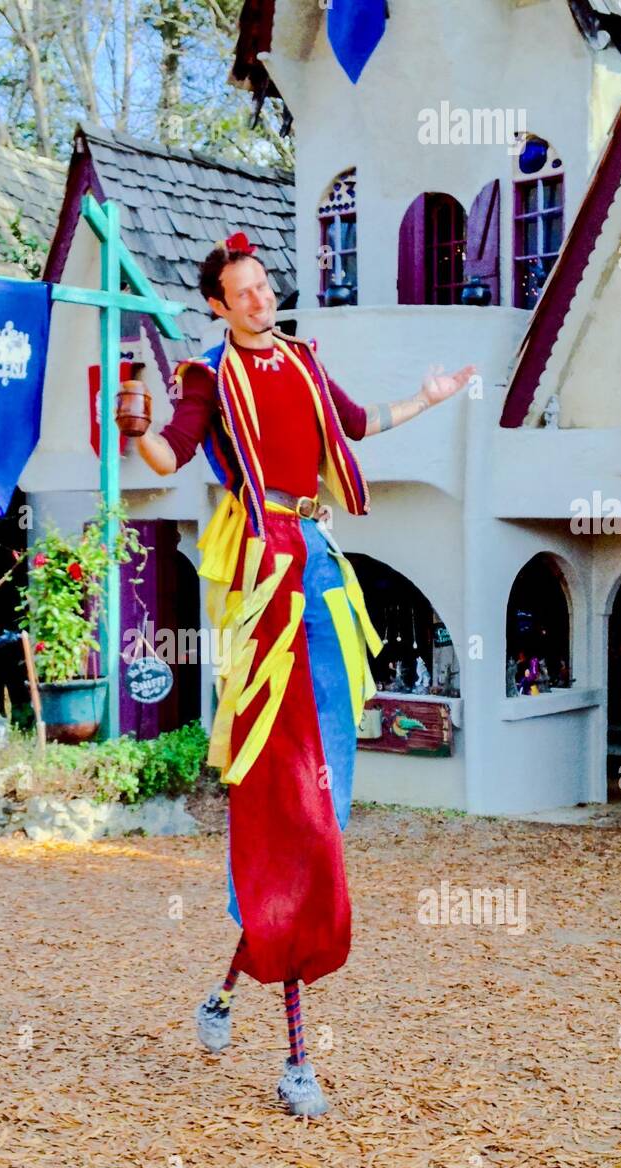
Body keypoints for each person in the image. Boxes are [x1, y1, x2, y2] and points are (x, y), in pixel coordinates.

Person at [116, 231, 475, 1116]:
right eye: (239, 291)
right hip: (265, 569)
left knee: (324, 804)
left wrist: (427, 401)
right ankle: (294, 1053)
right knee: (286, 793)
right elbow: (171, 452)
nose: (257, 298)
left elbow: (355, 426)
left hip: (316, 556)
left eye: (262, 285)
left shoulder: (304, 361)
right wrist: (133, 434)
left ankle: (227, 988)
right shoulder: (206, 377)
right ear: (216, 304)